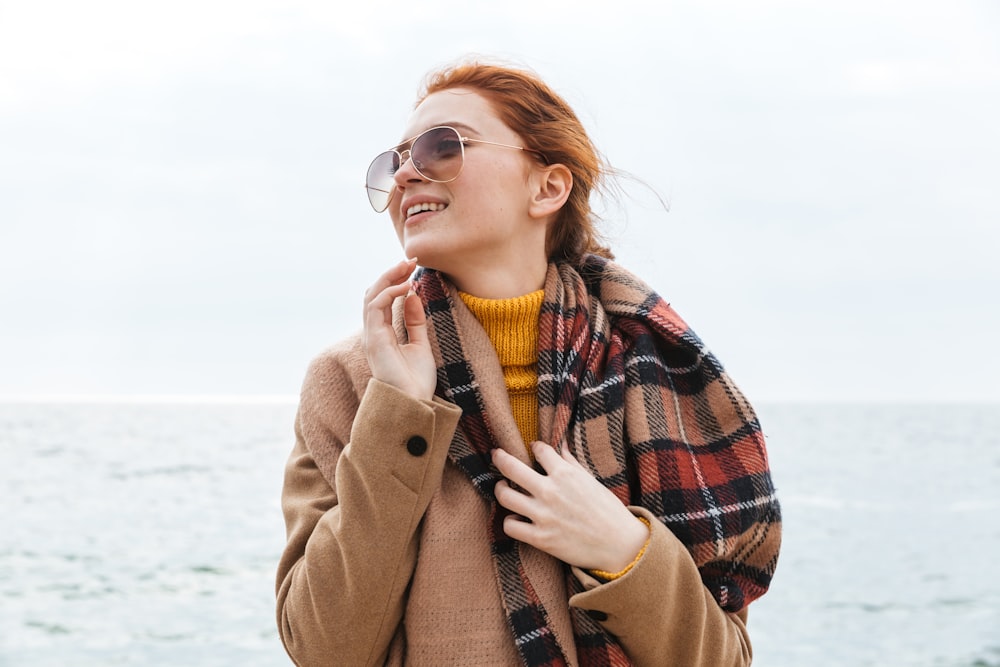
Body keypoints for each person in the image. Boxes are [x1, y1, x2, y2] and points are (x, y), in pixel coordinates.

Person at [275, 59, 781, 667]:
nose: (407, 173)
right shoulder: (352, 382)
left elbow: (725, 658)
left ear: (547, 187)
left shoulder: (659, 375)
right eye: (396, 160)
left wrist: (625, 550)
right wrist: (399, 414)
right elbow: (324, 649)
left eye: (443, 146)